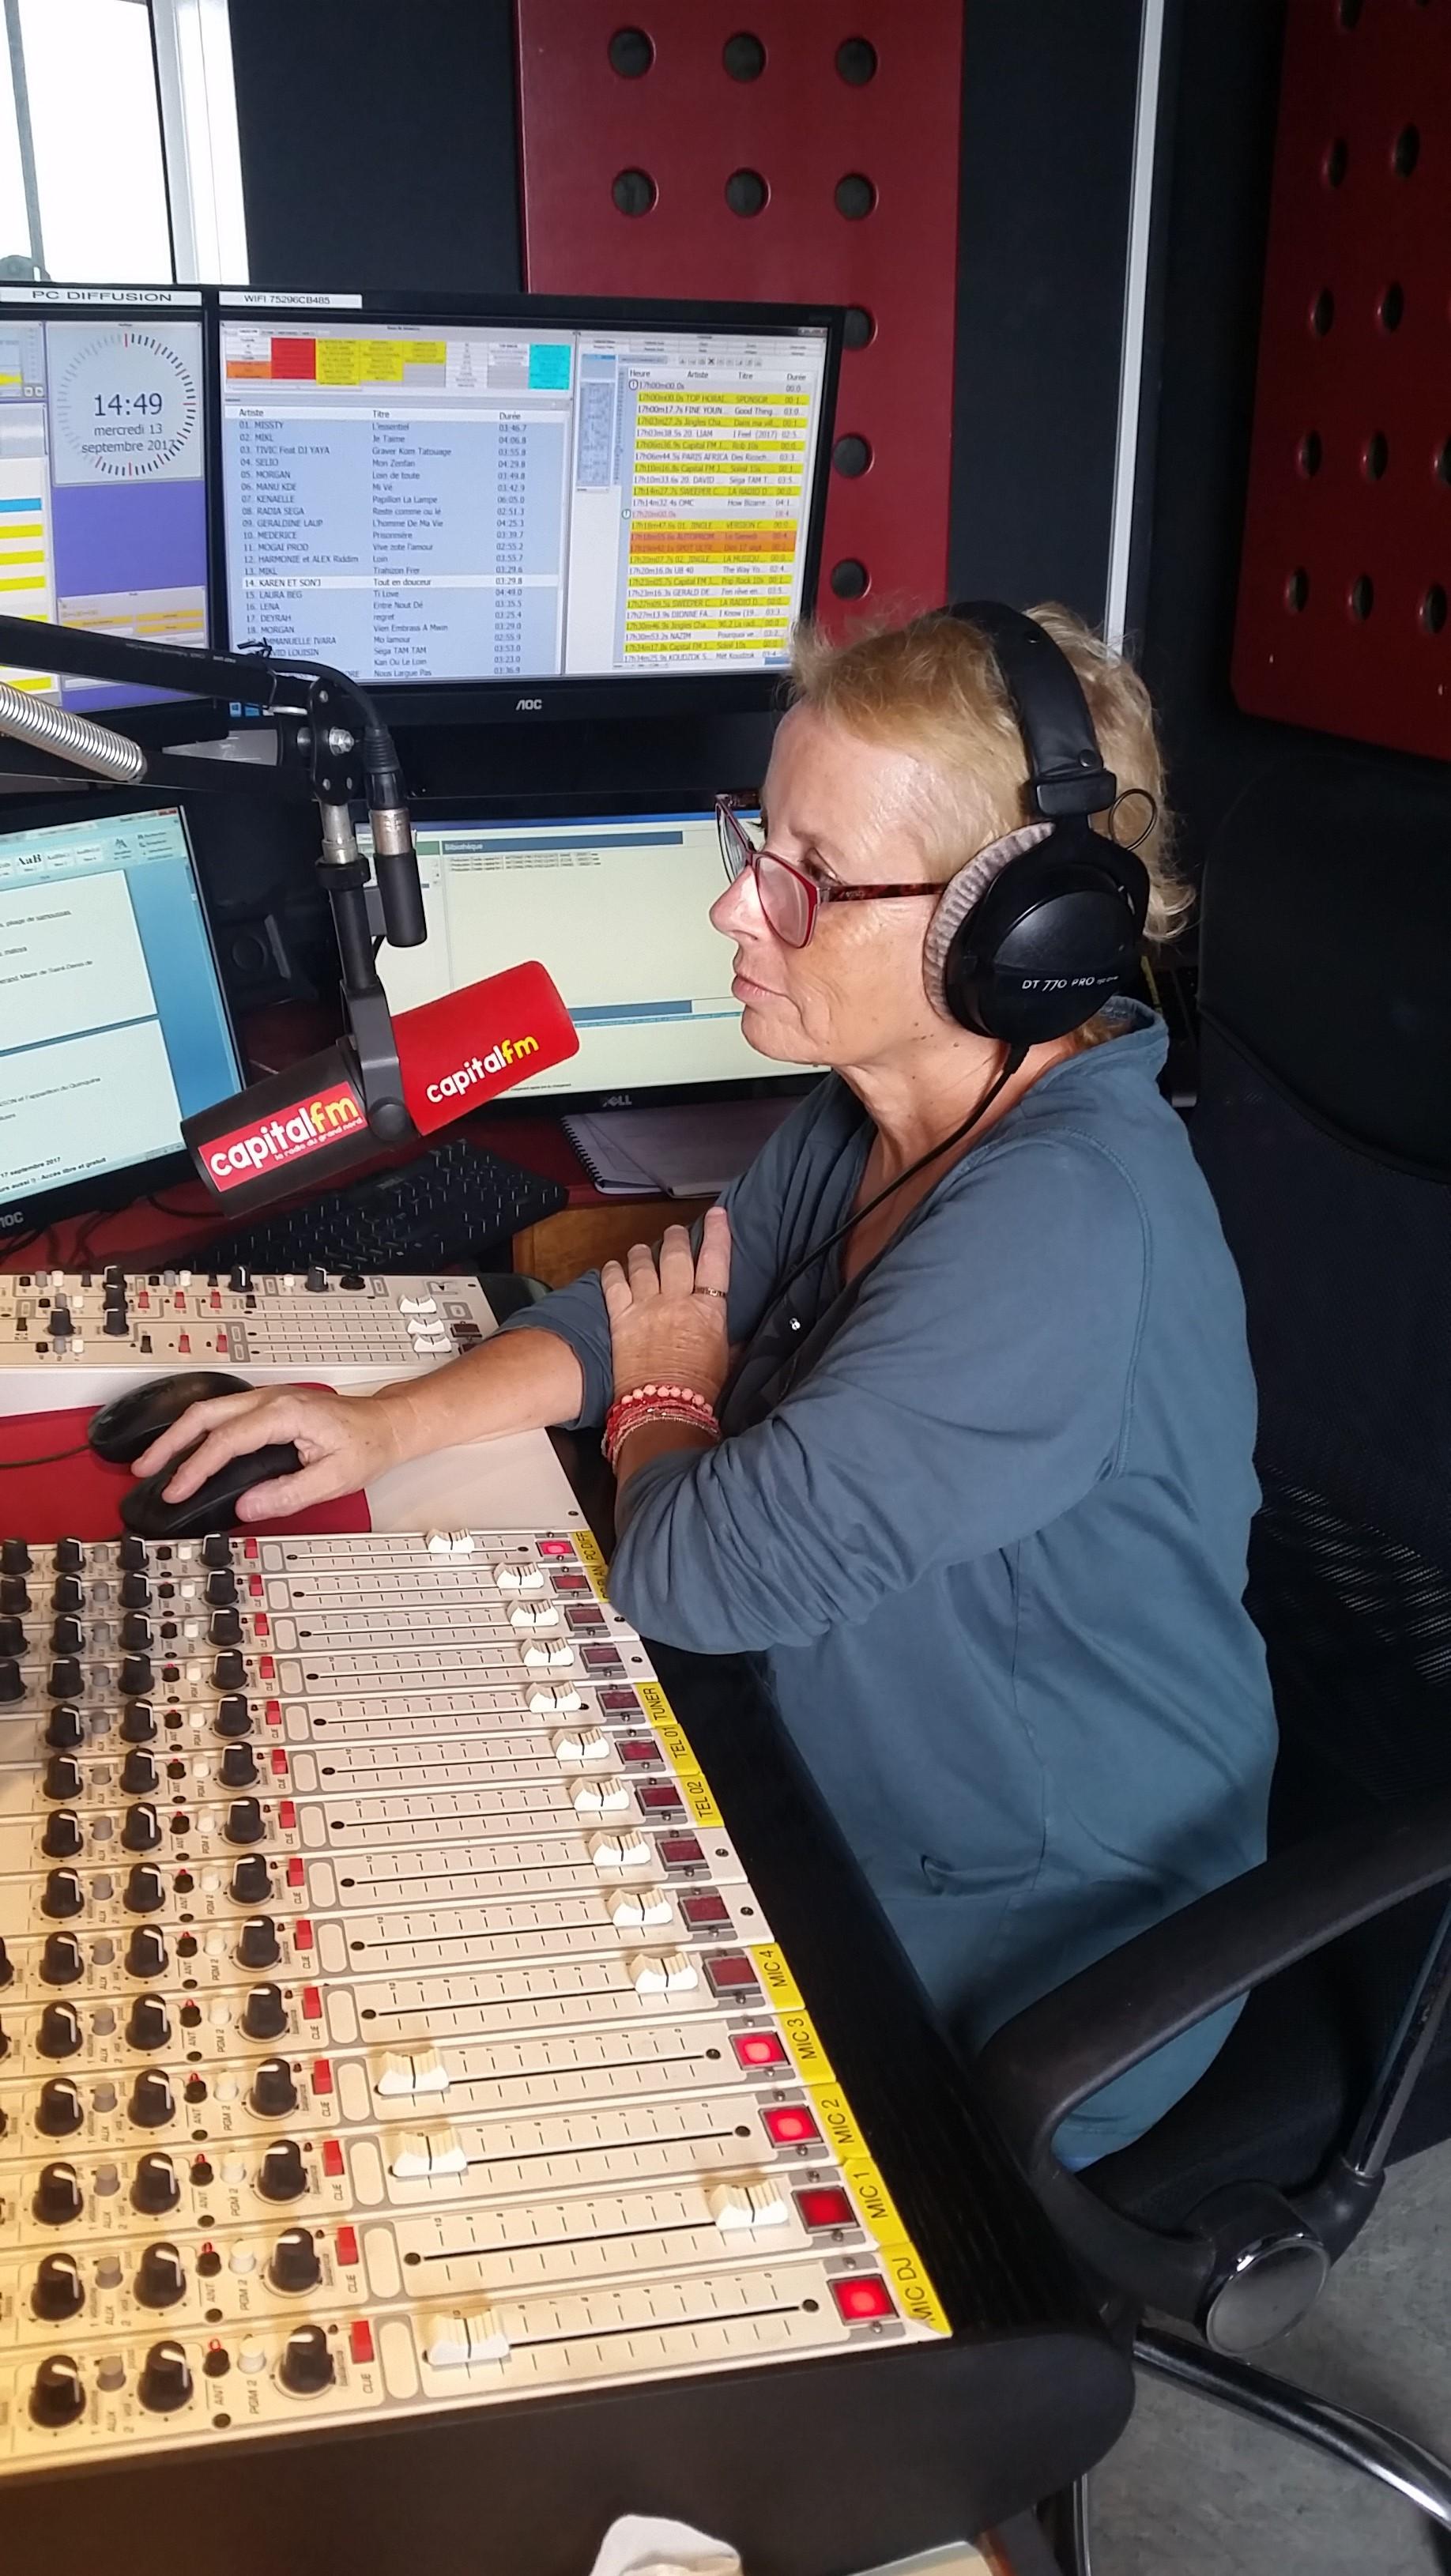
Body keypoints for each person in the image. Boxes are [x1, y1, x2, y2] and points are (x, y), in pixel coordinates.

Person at [134, 604, 1277, 2165]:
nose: (736, 902)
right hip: (841, 1788)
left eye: (807, 875)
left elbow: (695, 1566)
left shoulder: (1063, 1229)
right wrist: (383, 1424)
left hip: (1040, 1939)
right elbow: (653, 1309)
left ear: (1015, 930)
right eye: (756, 839)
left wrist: (670, 1399)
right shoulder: (882, 1112)